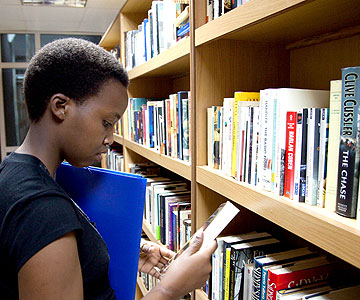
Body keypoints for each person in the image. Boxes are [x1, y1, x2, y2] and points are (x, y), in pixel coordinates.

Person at [0, 38, 217, 300]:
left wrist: (102, 253)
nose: (111, 138)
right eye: (106, 122)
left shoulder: (12, 172)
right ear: (60, 107)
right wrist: (171, 289)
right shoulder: (41, 208)